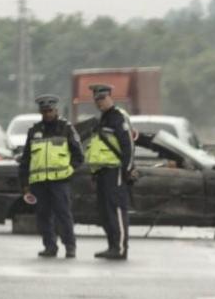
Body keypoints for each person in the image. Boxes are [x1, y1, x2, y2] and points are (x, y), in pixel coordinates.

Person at [17, 94, 84, 258]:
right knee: (43, 216)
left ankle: (70, 246)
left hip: (60, 182)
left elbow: (79, 156)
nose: (47, 114)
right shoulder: (34, 131)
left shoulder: (66, 128)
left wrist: (69, 169)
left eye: (50, 110)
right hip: (39, 183)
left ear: (56, 110)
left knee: (63, 215)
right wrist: (25, 185)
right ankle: (50, 246)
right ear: (41, 111)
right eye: (44, 111)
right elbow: (26, 160)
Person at [85, 84, 134, 261]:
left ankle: (120, 249)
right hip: (102, 172)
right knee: (105, 212)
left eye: (102, 98)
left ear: (110, 97)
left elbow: (128, 145)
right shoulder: (102, 119)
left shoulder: (118, 117)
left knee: (117, 209)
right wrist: (94, 172)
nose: (99, 102)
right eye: (97, 100)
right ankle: (112, 246)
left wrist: (127, 169)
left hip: (116, 171)